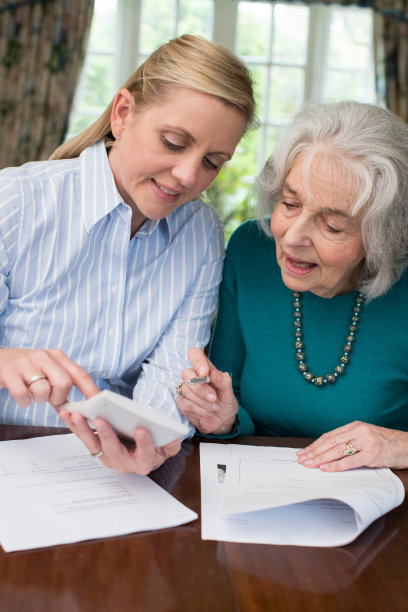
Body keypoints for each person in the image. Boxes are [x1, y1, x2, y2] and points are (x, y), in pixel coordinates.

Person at [0, 34, 256, 474]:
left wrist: (150, 440)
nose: (188, 176)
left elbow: (173, 372)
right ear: (123, 114)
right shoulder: (17, 202)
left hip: (117, 473)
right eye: (174, 142)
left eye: (213, 161)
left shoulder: (202, 232)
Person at [176, 100, 408, 472]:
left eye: (332, 226)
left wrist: (400, 445)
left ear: (383, 238)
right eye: (289, 203)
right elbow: (230, 397)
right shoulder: (252, 250)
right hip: (257, 489)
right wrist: (223, 419)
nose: (292, 238)